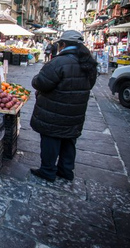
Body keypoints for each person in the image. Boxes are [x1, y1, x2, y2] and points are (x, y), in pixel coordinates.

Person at [30, 30, 98, 182]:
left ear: (63, 45)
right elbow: (90, 85)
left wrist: (35, 79)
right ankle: (66, 171)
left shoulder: (59, 62)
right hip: (76, 110)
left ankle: (47, 170)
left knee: (51, 139)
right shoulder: (88, 62)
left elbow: (41, 83)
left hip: (55, 110)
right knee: (69, 139)